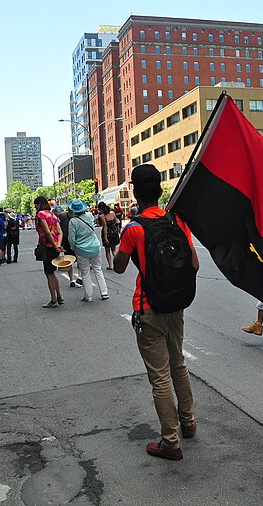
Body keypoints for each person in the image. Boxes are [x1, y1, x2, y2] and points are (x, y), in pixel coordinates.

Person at [114, 164, 199, 462]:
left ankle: (170, 441)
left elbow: (119, 266)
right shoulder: (178, 222)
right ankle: (188, 422)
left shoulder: (134, 228)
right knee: (179, 364)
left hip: (149, 308)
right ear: (160, 190)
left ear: (136, 193)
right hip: (177, 305)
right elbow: (195, 265)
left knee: (160, 376)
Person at [67, 199, 109, 302]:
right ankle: (104, 293)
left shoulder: (73, 221)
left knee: (85, 272)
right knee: (98, 269)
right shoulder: (90, 216)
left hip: (81, 249)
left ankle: (88, 296)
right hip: (95, 246)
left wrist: (74, 248)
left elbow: (71, 238)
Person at [34, 196, 65, 308]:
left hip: (47, 247)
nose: (35, 207)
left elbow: (47, 232)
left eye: (35, 204)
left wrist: (54, 245)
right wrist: (58, 245)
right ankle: (59, 296)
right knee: (52, 273)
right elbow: (60, 232)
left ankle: (53, 300)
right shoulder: (53, 215)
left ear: (39, 204)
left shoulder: (41, 214)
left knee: (49, 274)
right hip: (55, 247)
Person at [53, 206, 81, 287]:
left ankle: (71, 279)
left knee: (69, 260)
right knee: (79, 259)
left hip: (65, 240)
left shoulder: (61, 216)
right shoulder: (78, 217)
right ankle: (79, 276)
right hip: (76, 240)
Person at [97, 202, 120, 270]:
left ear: (101, 209)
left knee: (107, 250)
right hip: (114, 232)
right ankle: (117, 263)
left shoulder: (102, 216)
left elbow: (105, 227)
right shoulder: (112, 213)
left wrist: (105, 237)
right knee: (114, 249)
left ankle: (111, 265)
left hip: (107, 233)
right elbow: (116, 221)